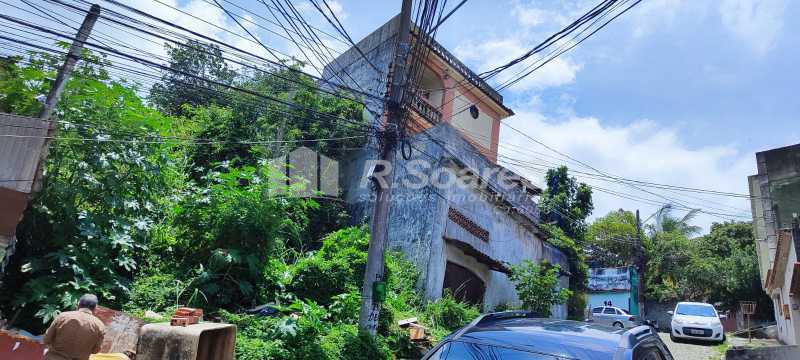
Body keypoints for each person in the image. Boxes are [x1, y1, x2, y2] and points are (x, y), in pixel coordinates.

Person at [43, 294, 106, 360]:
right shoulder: (100, 325)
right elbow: (95, 350)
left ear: (78, 304)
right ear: (96, 308)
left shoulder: (63, 316)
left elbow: (46, 339)